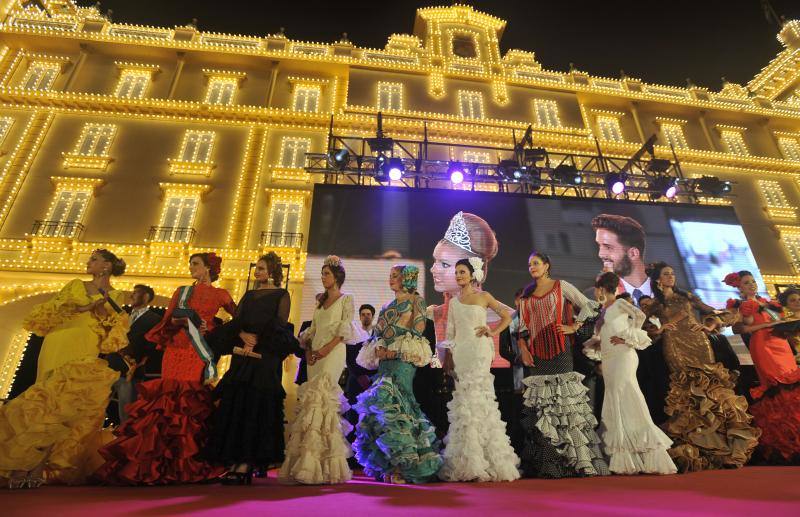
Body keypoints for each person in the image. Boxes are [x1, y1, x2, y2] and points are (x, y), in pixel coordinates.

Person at [94, 252, 237, 485]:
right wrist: (182, 322)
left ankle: (185, 463)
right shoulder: (182, 292)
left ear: (209, 268)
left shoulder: (222, 294)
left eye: (196, 264)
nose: (191, 268)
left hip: (197, 351)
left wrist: (214, 328)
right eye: (191, 264)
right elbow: (167, 320)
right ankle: (155, 464)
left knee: (189, 400)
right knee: (166, 399)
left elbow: (238, 320)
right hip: (177, 347)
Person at [0, 249, 129, 488]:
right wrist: (80, 309)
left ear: (107, 266)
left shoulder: (117, 295)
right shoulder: (75, 285)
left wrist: (100, 312)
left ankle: (38, 467)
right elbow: (52, 311)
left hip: (86, 345)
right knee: (43, 404)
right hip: (60, 340)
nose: (88, 262)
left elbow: (113, 335)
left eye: (94, 259)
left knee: (64, 410)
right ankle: (20, 465)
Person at [646, 262, 759, 472]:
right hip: (675, 347)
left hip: (699, 344)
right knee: (690, 394)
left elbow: (716, 312)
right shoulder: (653, 304)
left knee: (714, 390)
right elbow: (642, 327)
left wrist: (710, 324)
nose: (671, 276)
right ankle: (706, 448)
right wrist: (660, 329)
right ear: (657, 280)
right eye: (666, 274)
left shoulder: (687, 296)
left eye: (672, 273)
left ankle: (733, 449)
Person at [206, 252, 301, 484]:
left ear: (272, 271)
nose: (257, 272)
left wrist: (257, 339)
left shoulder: (281, 294)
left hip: (265, 356)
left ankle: (248, 462)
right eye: (256, 268)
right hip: (243, 356)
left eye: (261, 268)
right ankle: (235, 459)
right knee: (238, 404)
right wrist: (242, 334)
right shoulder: (248, 295)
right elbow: (236, 321)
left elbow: (279, 326)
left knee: (257, 407)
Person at [516, 251, 609, 478]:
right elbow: (523, 329)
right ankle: (550, 462)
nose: (532, 267)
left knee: (565, 404)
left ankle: (576, 460)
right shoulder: (527, 295)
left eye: (536, 263)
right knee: (542, 408)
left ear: (547, 265)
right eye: (529, 265)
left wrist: (574, 327)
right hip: (537, 355)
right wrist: (524, 349)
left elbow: (589, 305)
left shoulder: (561, 286)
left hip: (560, 351)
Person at [353, 265, 442, 484]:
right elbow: (379, 334)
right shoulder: (386, 305)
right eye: (390, 276)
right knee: (381, 408)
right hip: (385, 361)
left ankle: (405, 466)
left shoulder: (416, 301)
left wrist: (396, 350)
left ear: (406, 278)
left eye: (396, 276)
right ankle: (389, 464)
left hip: (403, 360)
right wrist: (379, 349)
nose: (391, 279)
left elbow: (418, 331)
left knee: (398, 403)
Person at [279, 255, 359, 485]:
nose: (323, 277)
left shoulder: (346, 299)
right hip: (314, 355)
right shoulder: (320, 301)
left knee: (324, 399)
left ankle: (326, 465)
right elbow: (312, 330)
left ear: (337, 277)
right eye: (322, 273)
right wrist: (308, 351)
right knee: (311, 402)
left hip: (332, 354)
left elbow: (343, 332)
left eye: (326, 274)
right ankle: (308, 463)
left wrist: (324, 350)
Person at [438, 258, 520, 482]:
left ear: (473, 274)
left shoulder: (485, 296)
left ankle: (488, 459)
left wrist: (493, 332)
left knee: (480, 400)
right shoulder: (453, 302)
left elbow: (507, 316)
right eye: (456, 272)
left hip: (480, 351)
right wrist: (448, 358)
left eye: (462, 271)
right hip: (462, 353)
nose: (458, 276)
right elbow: (450, 333)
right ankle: (468, 460)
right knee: (464, 403)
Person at [590, 272, 676, 475]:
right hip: (609, 358)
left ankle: (648, 449)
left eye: (597, 288)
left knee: (628, 396)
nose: (596, 291)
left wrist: (628, 337)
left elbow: (640, 316)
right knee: (615, 399)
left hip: (623, 355)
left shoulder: (619, 304)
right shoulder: (602, 309)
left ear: (603, 288)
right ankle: (624, 454)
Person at [727, 271, 800, 463]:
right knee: (777, 388)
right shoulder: (744, 305)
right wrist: (771, 325)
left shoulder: (768, 303)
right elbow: (745, 328)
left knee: (793, 385)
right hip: (764, 346)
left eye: (753, 281)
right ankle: (787, 442)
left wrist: (785, 326)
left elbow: (778, 321)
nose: (752, 285)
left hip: (781, 344)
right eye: (746, 283)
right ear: (739, 287)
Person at [105, 284, 161, 424]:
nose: (131, 296)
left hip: (131, 372)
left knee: (126, 413)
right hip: (110, 368)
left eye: (136, 293)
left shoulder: (154, 319)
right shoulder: (124, 316)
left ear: (146, 297)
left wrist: (138, 361)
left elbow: (153, 346)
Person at [592, 214, 652, 305]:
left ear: (633, 253)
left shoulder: (674, 296)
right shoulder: (594, 296)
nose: (600, 254)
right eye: (599, 246)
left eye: (608, 247)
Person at [344, 304, 377, 448]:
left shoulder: (378, 334)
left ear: (373, 316)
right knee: (353, 414)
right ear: (359, 316)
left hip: (373, 381)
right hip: (355, 380)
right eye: (363, 314)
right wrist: (359, 376)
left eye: (368, 314)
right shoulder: (354, 333)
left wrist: (372, 378)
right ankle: (353, 450)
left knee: (372, 414)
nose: (365, 317)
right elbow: (349, 359)